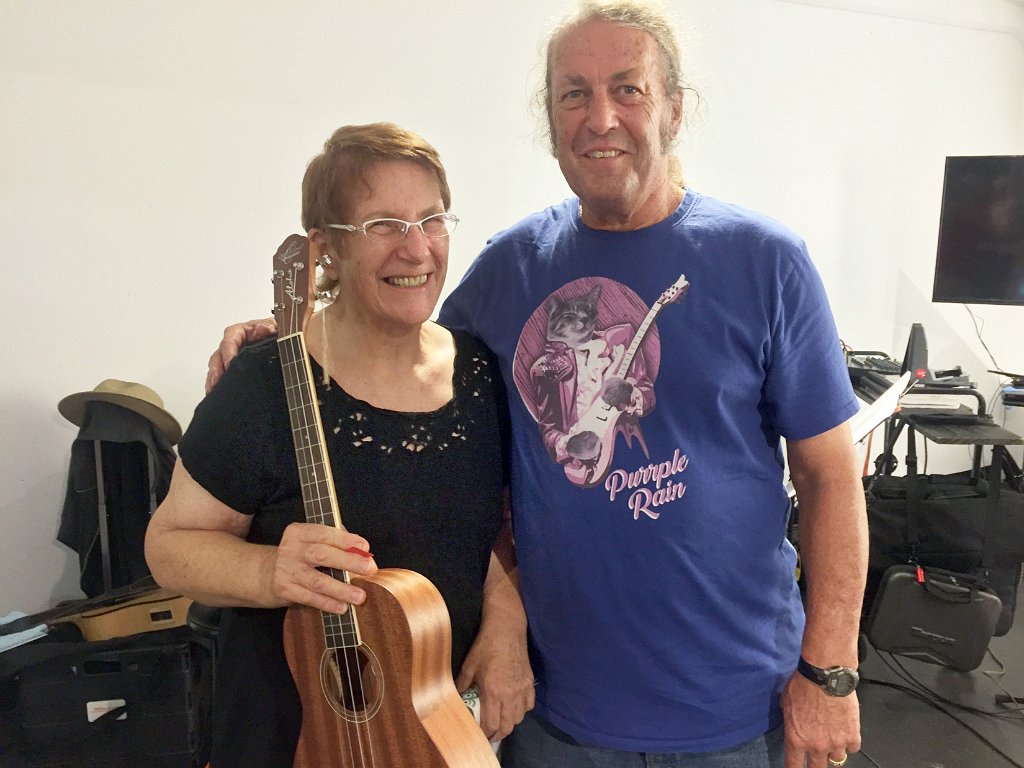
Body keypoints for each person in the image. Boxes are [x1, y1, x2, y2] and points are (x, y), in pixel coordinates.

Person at [207, 3, 868, 767]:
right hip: (555, 714)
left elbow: (829, 477)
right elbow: (398, 336)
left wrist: (831, 673)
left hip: (738, 714)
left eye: (628, 89)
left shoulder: (766, 262)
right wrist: (285, 335)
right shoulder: (510, 268)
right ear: (550, 119)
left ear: (676, 110)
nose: (600, 117)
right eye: (573, 93)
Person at [145, 122, 533, 768]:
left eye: (431, 220)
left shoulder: (480, 374)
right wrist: (270, 570)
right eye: (382, 225)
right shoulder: (268, 380)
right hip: (290, 740)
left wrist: (507, 624)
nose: (416, 250)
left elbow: (491, 532)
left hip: (433, 741)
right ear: (324, 249)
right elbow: (169, 547)